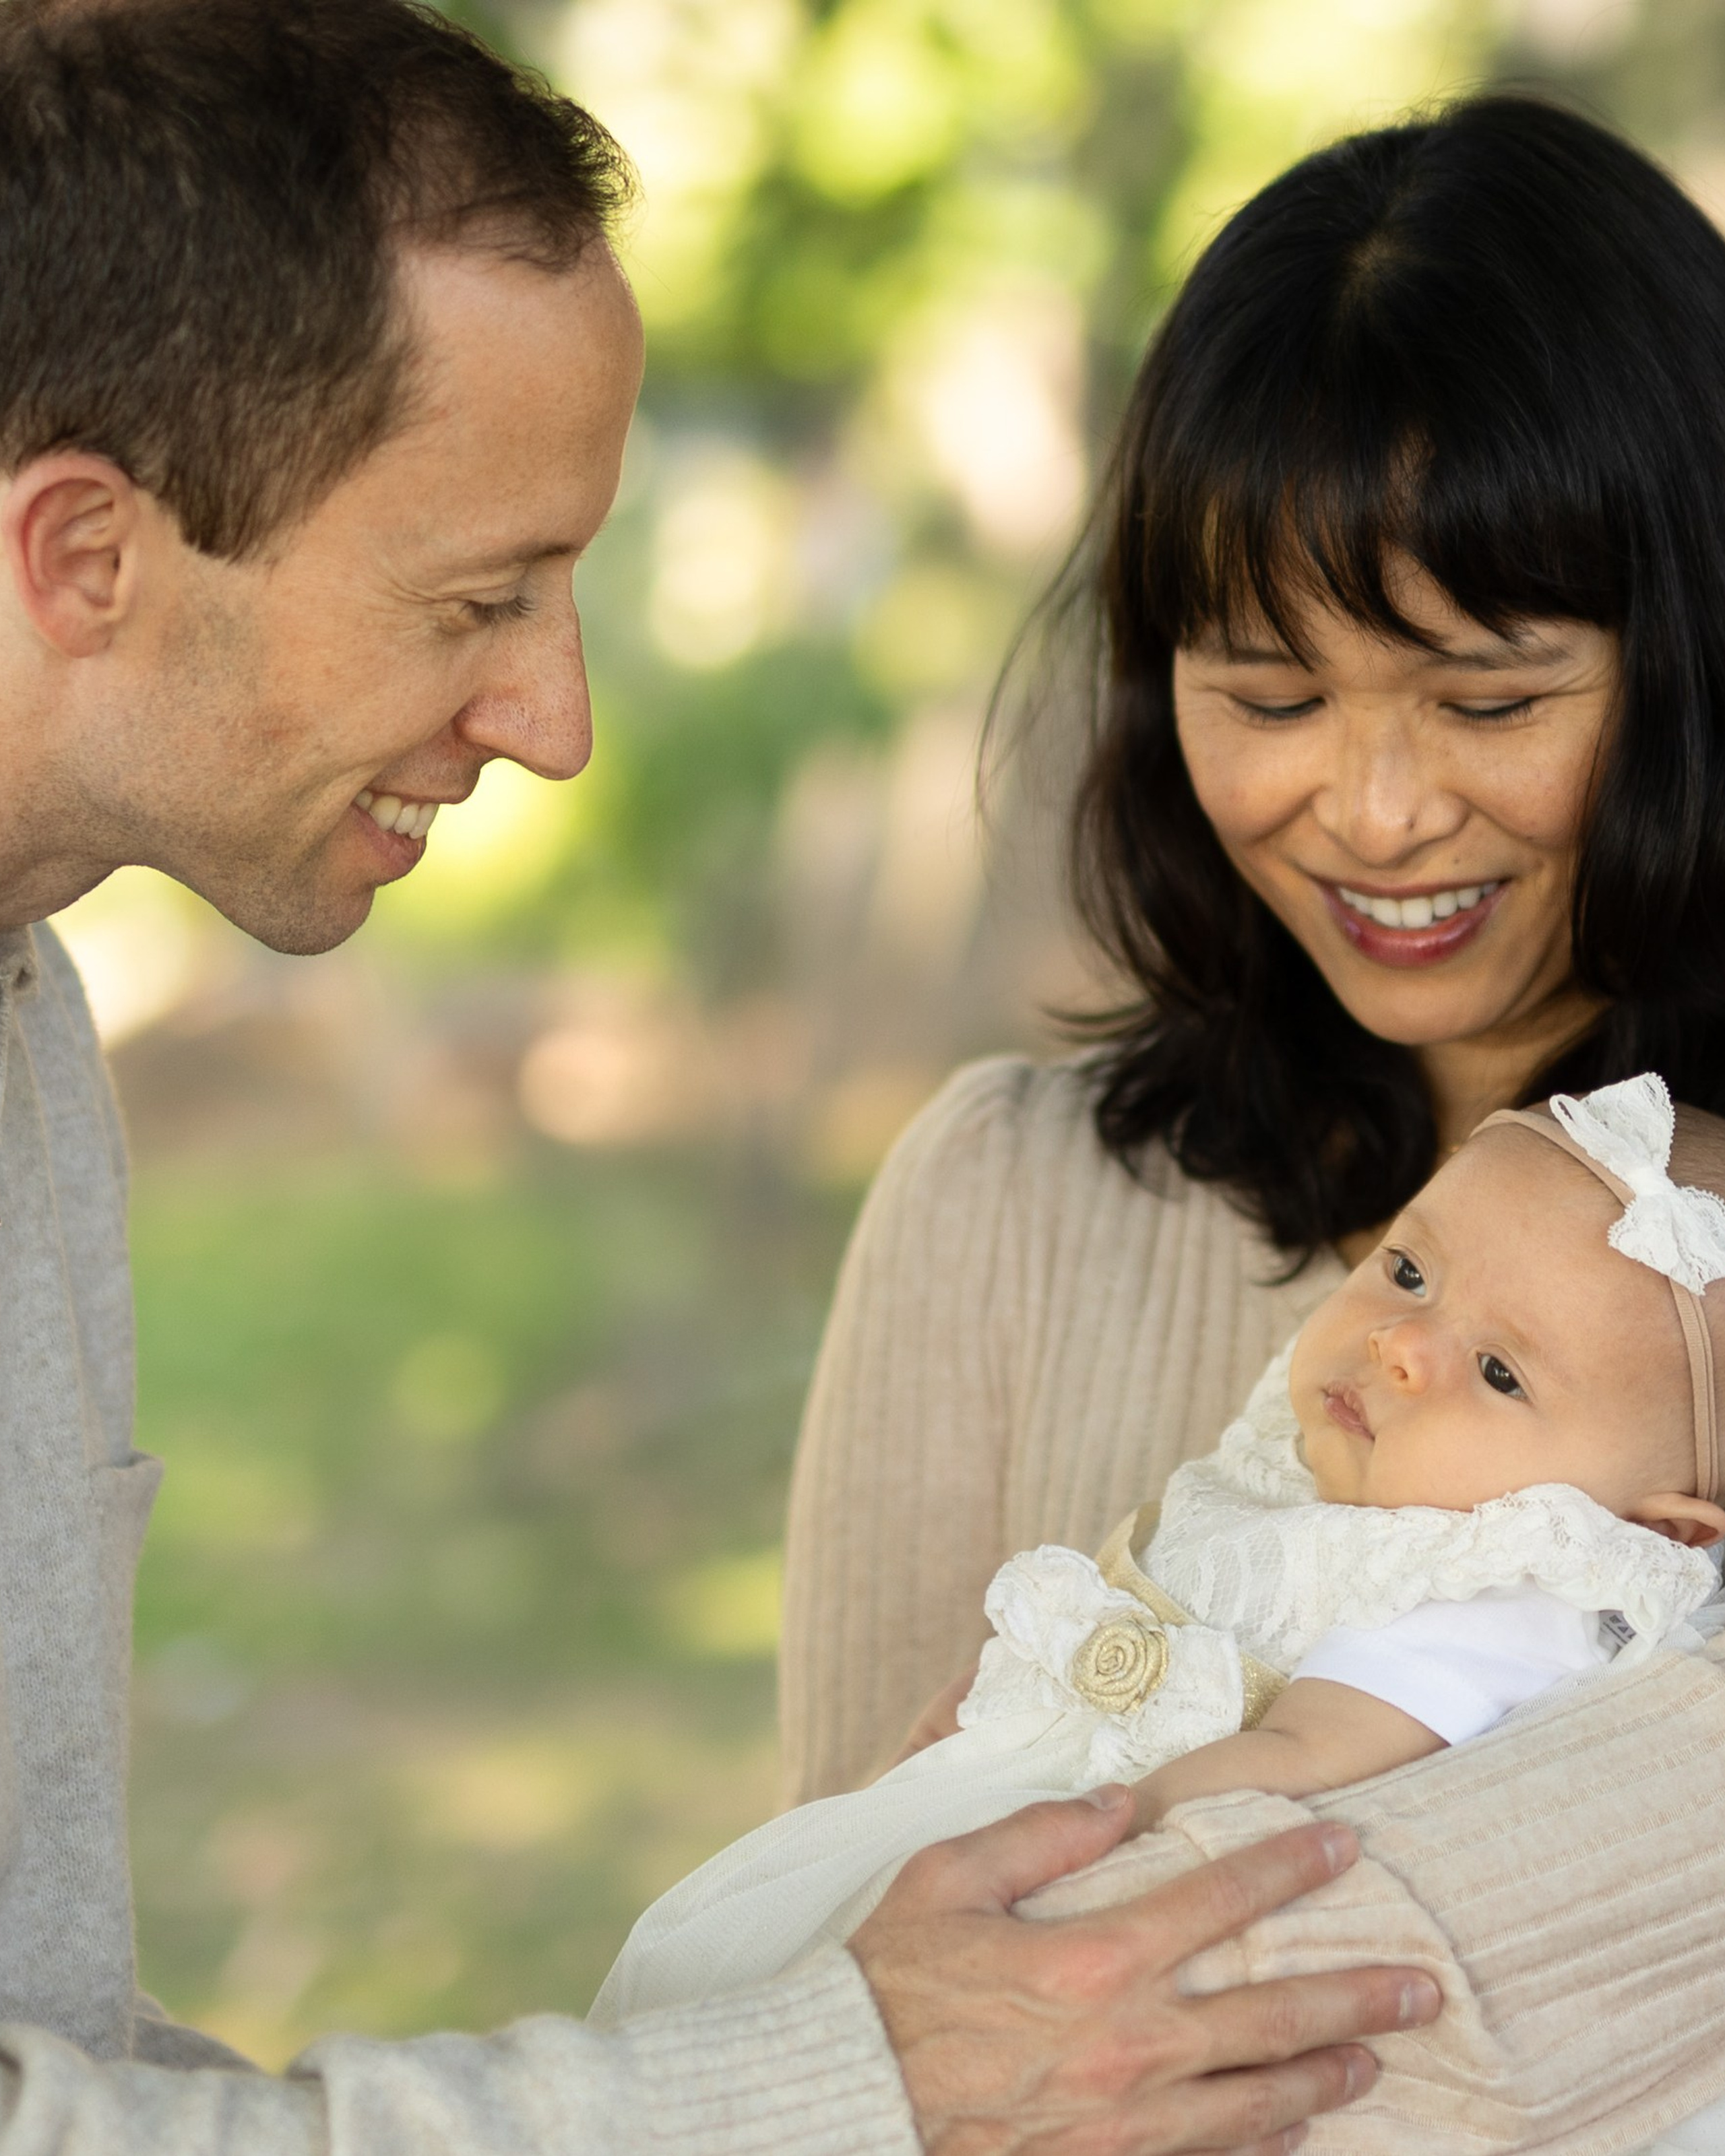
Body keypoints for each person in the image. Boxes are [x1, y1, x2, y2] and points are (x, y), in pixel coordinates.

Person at [0, 0, 1441, 2150]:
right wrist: (840, 2086)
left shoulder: (31, 1022)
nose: (560, 721)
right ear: (84, 557)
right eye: (481, 597)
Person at [781, 92, 1725, 2152]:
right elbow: (851, 1954)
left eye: (1488, 699)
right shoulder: (1006, 1200)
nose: (1373, 814)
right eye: (1272, 698)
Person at [597, 1072, 1725, 2054]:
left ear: (1658, 1535)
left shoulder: (1501, 1589)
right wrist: (1010, 1712)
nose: (1400, 1344)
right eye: (1411, 1273)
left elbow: (1304, 1760)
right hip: (1008, 1817)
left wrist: (1069, 1835)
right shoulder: (1334, 1476)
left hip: (1102, 1894)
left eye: (1500, 1372)